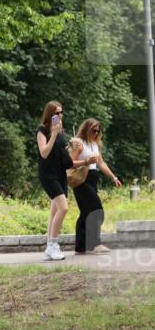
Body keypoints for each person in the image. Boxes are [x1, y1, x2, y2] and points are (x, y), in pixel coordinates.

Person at [72, 118, 122, 254]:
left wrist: (113, 177)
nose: (96, 133)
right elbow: (70, 162)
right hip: (81, 179)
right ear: (86, 129)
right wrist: (86, 161)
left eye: (98, 131)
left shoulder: (94, 144)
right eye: (93, 130)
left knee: (85, 212)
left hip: (93, 178)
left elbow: (101, 163)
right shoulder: (78, 143)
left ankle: (80, 247)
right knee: (96, 209)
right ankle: (95, 244)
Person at [36, 101, 78, 261]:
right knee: (63, 208)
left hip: (59, 174)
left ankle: (49, 247)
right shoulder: (42, 131)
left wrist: (71, 147)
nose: (60, 116)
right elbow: (44, 153)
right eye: (56, 113)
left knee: (54, 212)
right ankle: (53, 245)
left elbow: (59, 153)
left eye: (61, 113)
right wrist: (53, 134)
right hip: (48, 175)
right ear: (49, 115)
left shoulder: (61, 132)